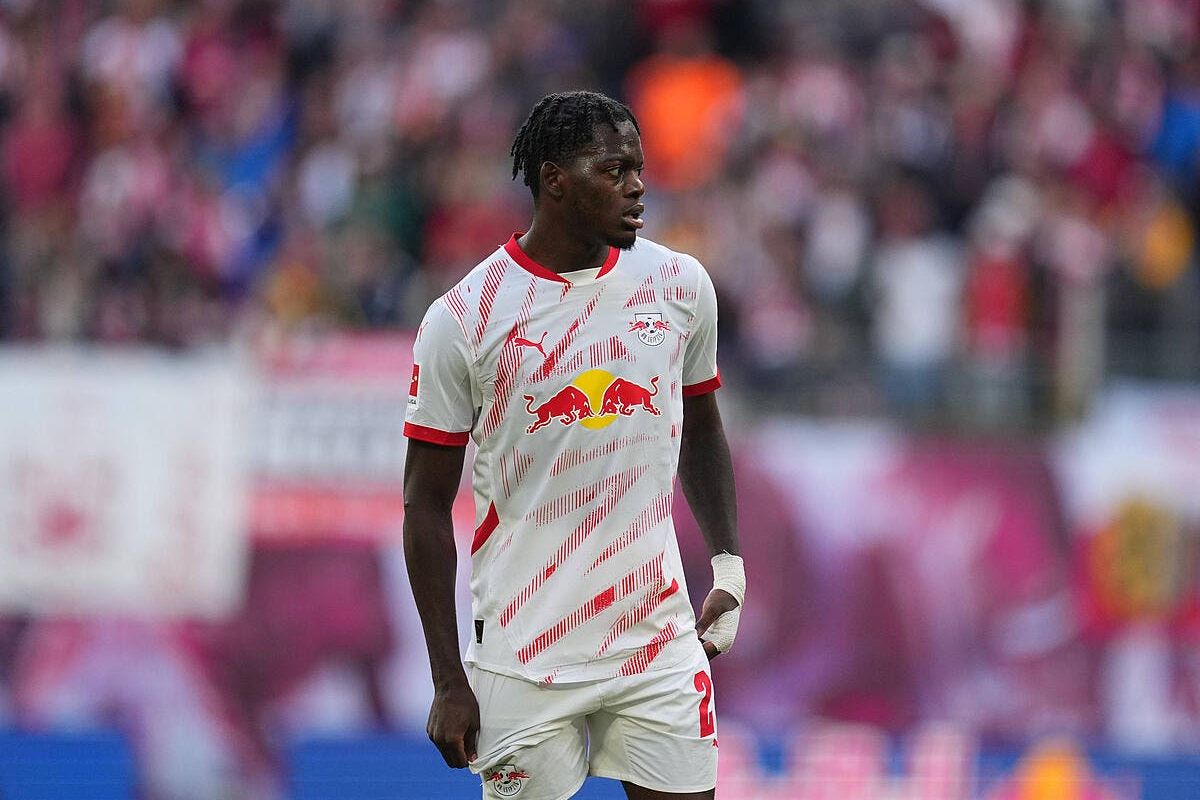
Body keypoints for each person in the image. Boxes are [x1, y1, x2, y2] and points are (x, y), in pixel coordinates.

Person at [403, 89, 743, 800]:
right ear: (554, 180)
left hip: (656, 641)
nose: (638, 185)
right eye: (614, 170)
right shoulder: (464, 320)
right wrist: (448, 679)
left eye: (639, 168)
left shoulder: (679, 286)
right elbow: (424, 507)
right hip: (525, 656)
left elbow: (703, 427)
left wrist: (728, 565)